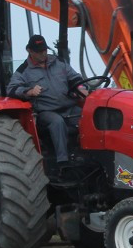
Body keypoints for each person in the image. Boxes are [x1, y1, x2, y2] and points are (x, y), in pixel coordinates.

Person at [7, 34, 88, 165]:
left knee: (89, 117)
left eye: (45, 50)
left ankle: (88, 155)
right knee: (57, 122)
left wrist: (80, 87)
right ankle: (63, 162)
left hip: (69, 107)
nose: (43, 54)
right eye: (39, 52)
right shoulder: (23, 71)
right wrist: (29, 91)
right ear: (30, 51)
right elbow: (11, 89)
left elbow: (75, 77)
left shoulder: (59, 62)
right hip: (46, 112)